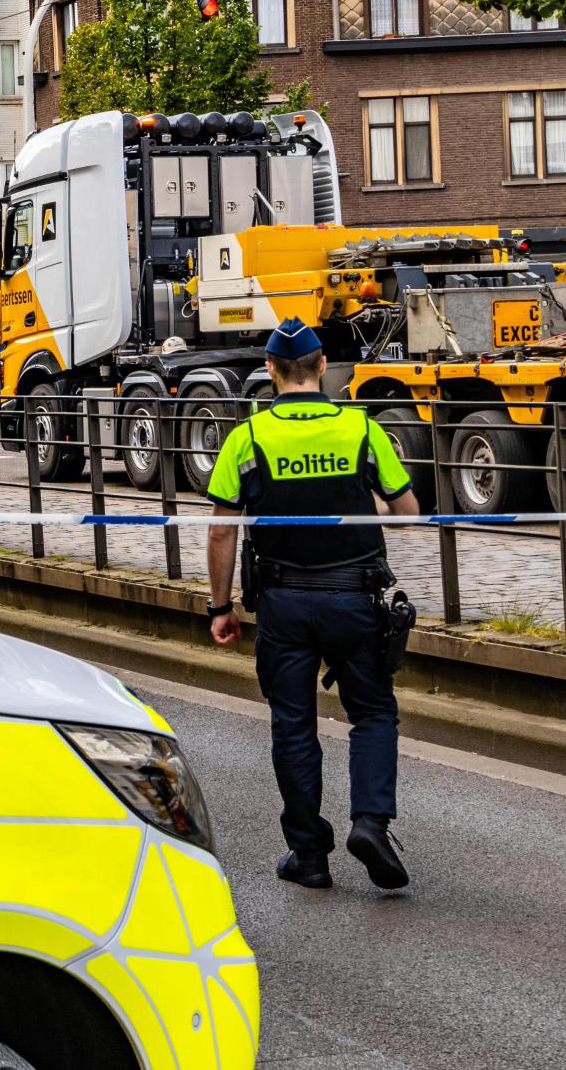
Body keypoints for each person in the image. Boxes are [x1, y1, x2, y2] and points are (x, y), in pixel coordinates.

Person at [203, 317, 418, 892]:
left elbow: (222, 531)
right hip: (356, 601)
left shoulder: (247, 437)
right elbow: (409, 513)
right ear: (323, 367)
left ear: (270, 371)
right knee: (373, 713)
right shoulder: (361, 429)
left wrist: (219, 607)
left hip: (283, 604)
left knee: (292, 723)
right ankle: (370, 822)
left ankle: (308, 854)